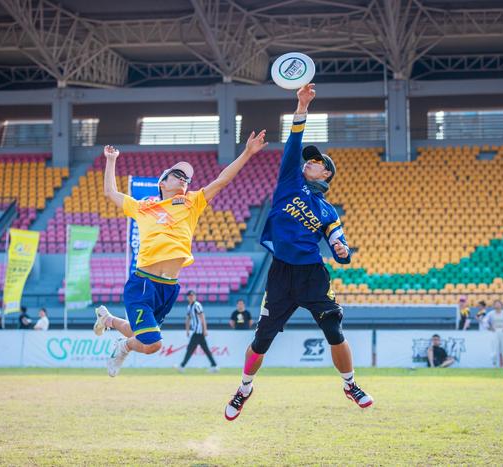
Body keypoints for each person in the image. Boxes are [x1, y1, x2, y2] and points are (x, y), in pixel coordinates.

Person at [224, 84, 372, 422]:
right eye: (311, 160)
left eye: (318, 162)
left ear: (328, 175)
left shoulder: (329, 211)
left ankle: (350, 384)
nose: (311, 162)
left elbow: (341, 248)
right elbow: (293, 141)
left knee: (334, 331)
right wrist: (302, 105)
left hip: (313, 275)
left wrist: (340, 247)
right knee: (261, 341)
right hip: (280, 274)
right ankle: (244, 388)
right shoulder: (290, 180)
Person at [93, 131, 268, 377]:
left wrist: (248, 152)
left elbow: (221, 180)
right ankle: (122, 347)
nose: (184, 179)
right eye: (178, 175)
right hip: (144, 282)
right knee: (152, 343)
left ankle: (109, 321)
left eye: (187, 177)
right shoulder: (145, 206)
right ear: (162, 182)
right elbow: (111, 193)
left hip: (169, 287)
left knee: (140, 333)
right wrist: (111, 160)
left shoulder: (191, 203)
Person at [177, 291, 218, 372]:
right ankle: (214, 365)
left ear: (195, 296)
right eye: (189, 296)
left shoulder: (197, 305)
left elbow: (202, 317)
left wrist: (205, 330)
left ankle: (182, 365)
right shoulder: (189, 306)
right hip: (195, 331)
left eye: (192, 296)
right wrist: (187, 330)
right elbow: (188, 318)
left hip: (198, 331)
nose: (191, 297)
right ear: (187, 297)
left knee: (190, 349)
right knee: (205, 349)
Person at [483, 300, 503, 368]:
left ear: (501, 305)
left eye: (499, 304)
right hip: (494, 331)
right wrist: (489, 327)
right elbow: (484, 321)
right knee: (494, 348)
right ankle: (494, 363)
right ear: (494, 306)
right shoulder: (491, 314)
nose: (497, 305)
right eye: (496, 304)